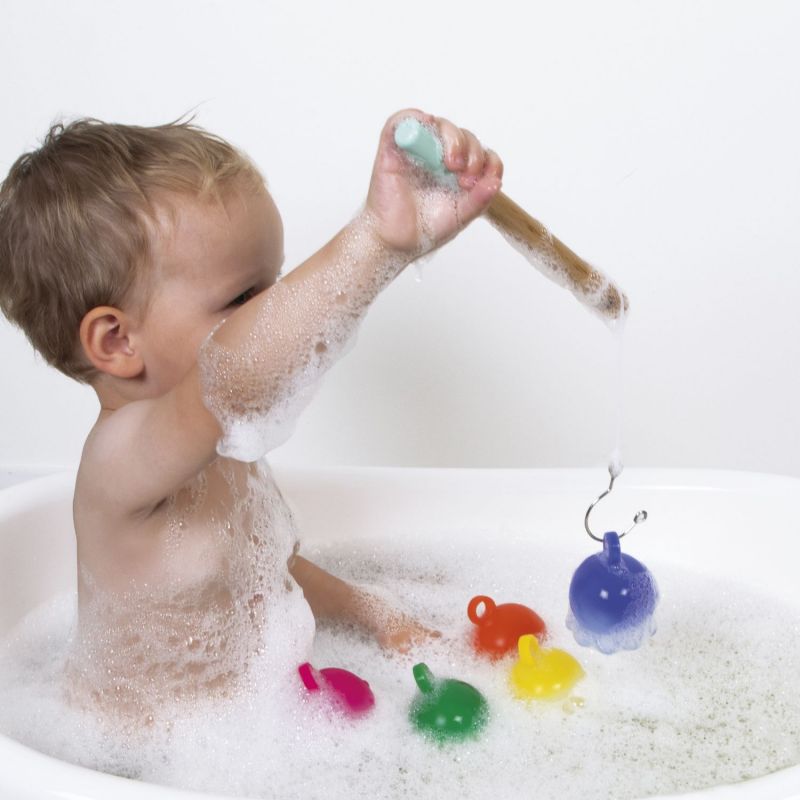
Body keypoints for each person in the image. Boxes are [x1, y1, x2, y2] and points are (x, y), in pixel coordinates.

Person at [0, 109, 503, 721]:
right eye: (243, 300)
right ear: (116, 342)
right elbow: (233, 375)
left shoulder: (222, 451)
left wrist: (378, 613)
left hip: (245, 737)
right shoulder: (121, 460)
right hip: (136, 764)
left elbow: (266, 574)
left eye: (276, 287)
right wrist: (374, 241)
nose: (271, 313)